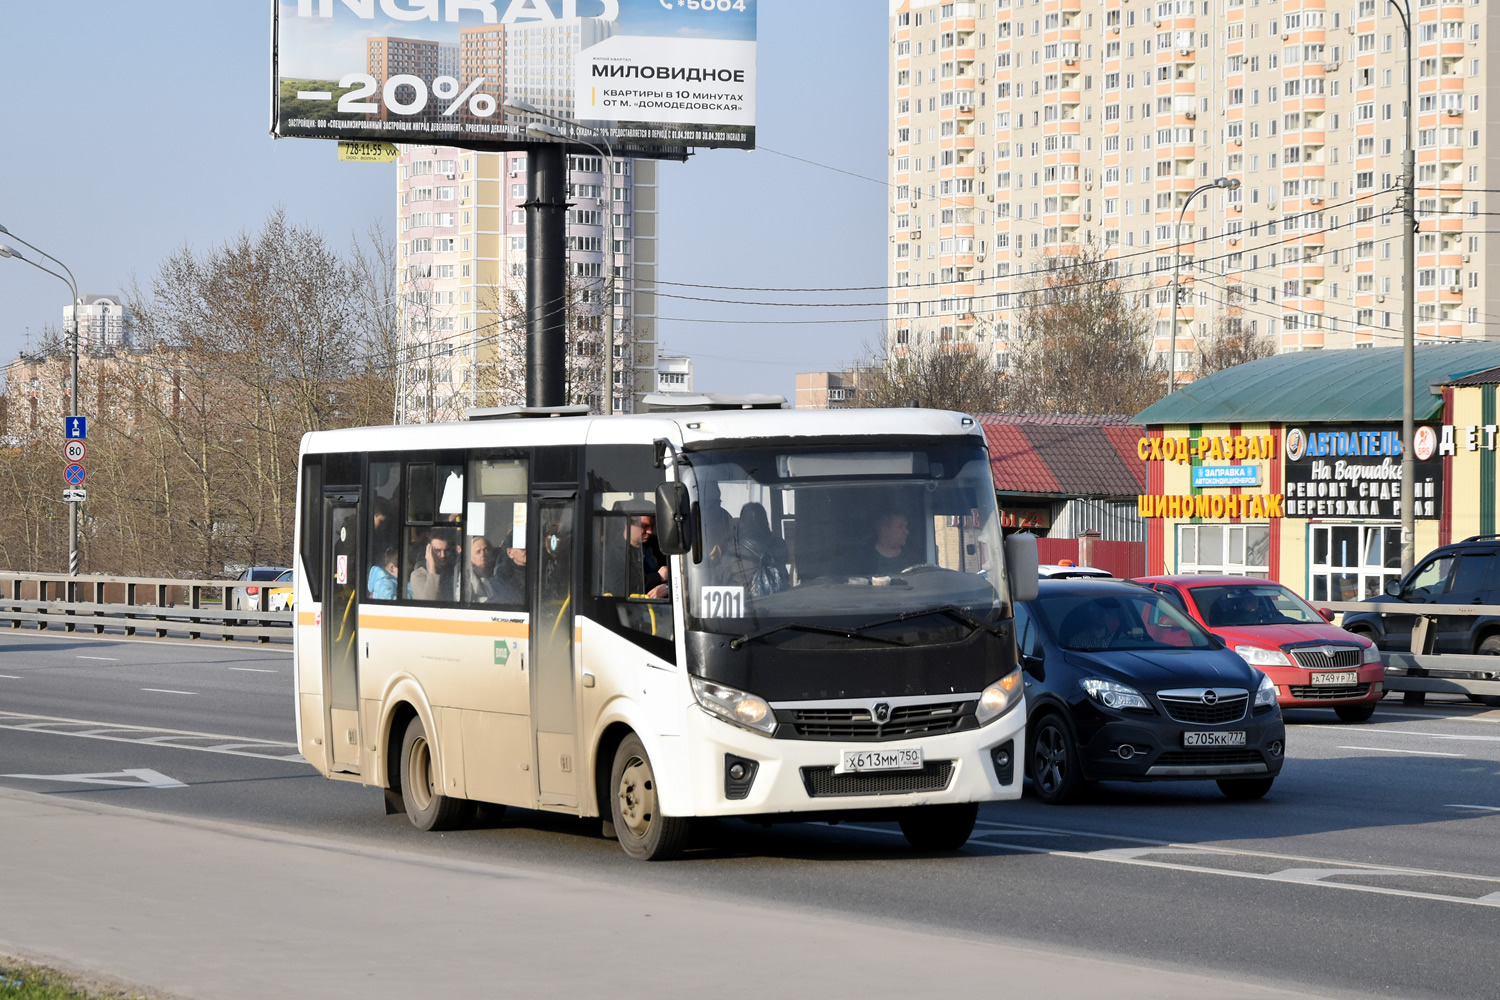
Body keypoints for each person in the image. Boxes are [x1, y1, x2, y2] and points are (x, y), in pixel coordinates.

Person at [719, 502, 788, 597]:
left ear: (742, 523)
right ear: (765, 521)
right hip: (779, 600)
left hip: (745, 603)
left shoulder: (732, 550)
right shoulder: (778, 544)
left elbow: (723, 580)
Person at [627, 514, 670, 599]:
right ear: (628, 524)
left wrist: (668, 587)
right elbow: (625, 586)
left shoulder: (657, 544)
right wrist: (659, 577)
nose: (650, 531)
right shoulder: (614, 552)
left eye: (652, 526)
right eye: (645, 526)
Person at [409, 532, 459, 601]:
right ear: (429, 551)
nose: (443, 555)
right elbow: (427, 601)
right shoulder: (418, 575)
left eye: (446, 550)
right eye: (437, 551)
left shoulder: (452, 571)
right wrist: (432, 565)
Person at [870, 511, 911, 577]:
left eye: (906, 527)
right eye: (900, 527)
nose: (907, 532)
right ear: (885, 530)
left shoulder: (913, 558)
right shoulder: (864, 559)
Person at [492, 528, 527, 606]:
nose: (526, 550)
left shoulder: (542, 570)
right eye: (522, 548)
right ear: (510, 552)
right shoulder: (501, 579)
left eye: (529, 546)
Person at [466, 536, 498, 603]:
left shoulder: (500, 573)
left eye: (486, 550)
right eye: (478, 552)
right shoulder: (466, 578)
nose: (483, 554)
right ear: (471, 558)